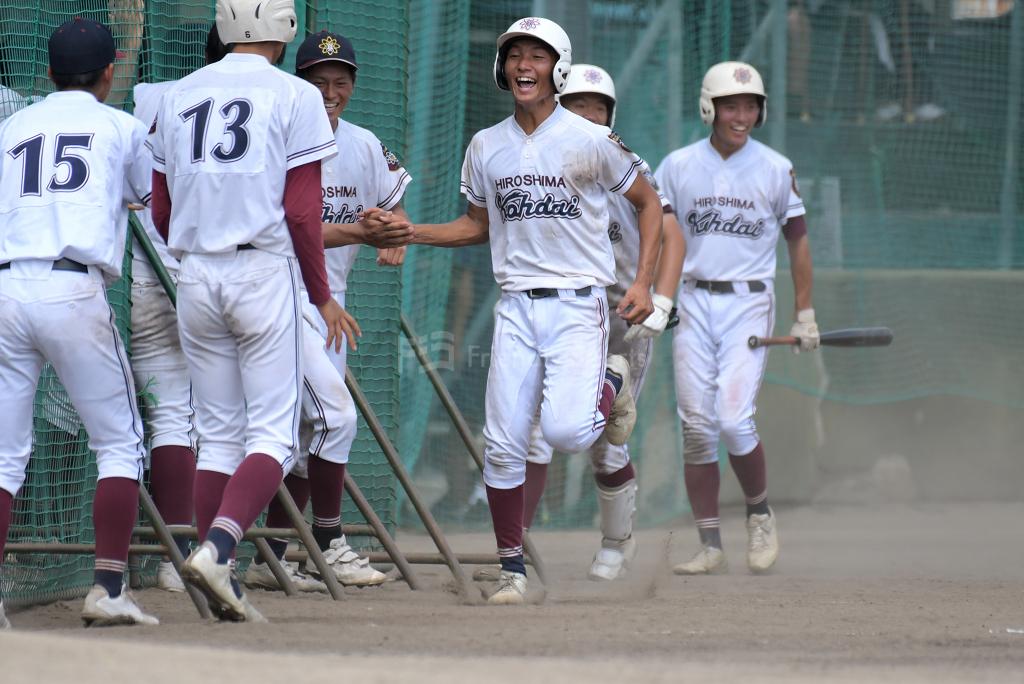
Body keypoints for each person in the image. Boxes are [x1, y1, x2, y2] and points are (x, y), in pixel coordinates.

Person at [407, 17, 664, 605]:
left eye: (538, 56)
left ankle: (609, 384)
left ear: (557, 69)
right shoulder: (485, 145)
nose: (525, 64)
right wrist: (412, 231)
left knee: (568, 432)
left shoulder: (590, 139)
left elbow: (649, 205)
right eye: (515, 55)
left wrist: (645, 283)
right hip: (516, 306)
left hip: (579, 303)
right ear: (503, 70)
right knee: (502, 445)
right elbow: (475, 225)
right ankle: (511, 569)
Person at [148, 0, 355, 621]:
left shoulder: (177, 94)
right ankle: (217, 549)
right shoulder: (295, 95)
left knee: (215, 434)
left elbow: (160, 208)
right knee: (272, 432)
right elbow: (301, 213)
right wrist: (320, 295)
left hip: (194, 271)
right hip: (261, 271)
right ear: (284, 29)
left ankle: (218, 571)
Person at [0, 17, 158, 627]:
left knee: (6, 456)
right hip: (73, 288)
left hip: (9, 286)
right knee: (119, 443)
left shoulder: (14, 125)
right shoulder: (121, 125)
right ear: (110, 72)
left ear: (48, 74)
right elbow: (149, 201)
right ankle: (109, 589)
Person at [244, 29, 411, 592]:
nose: (330, 91)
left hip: (328, 307)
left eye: (340, 81)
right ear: (299, 83)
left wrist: (392, 233)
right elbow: (293, 230)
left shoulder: (363, 143)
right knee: (330, 420)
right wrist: (359, 232)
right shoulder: (280, 136)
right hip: (282, 297)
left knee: (304, 433)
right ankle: (328, 543)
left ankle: (278, 555)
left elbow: (391, 207)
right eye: (318, 81)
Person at [520, 63, 685, 581]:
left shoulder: (626, 163)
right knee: (533, 433)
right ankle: (514, 551)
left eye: (598, 107)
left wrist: (661, 296)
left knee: (605, 439)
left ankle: (617, 541)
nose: (587, 115)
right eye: (576, 105)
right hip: (566, 304)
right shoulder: (551, 159)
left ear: (611, 114)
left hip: (625, 309)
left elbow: (672, 233)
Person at [654, 61, 819, 576]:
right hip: (693, 300)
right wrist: (655, 294)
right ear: (710, 108)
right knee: (697, 427)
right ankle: (709, 544)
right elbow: (657, 233)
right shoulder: (678, 165)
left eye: (750, 106)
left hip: (749, 300)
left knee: (732, 417)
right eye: (731, 105)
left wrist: (805, 312)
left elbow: (798, 241)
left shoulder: (774, 167)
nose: (741, 115)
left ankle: (760, 513)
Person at [129, 23, 228, 594]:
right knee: (188, 419)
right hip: (198, 273)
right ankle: (182, 552)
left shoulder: (146, 96)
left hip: (131, 277)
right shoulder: (265, 100)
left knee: (83, 423)